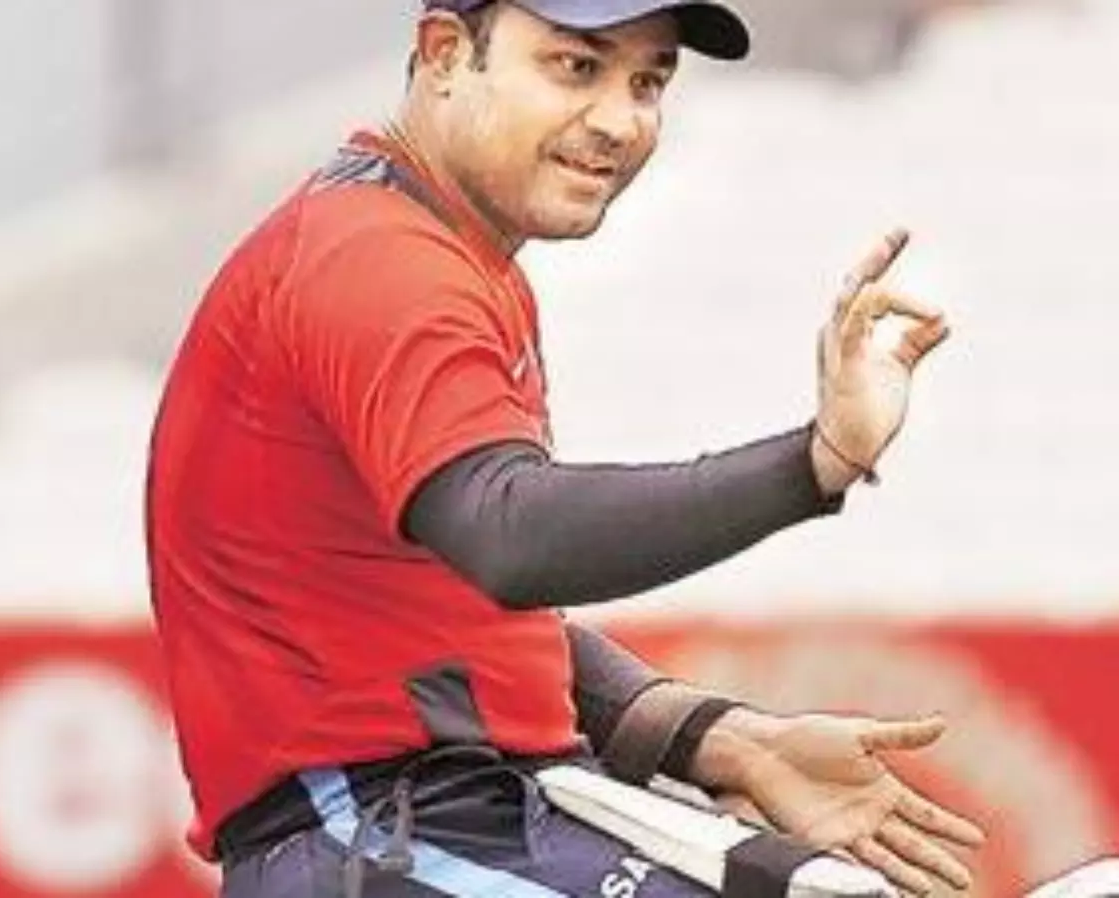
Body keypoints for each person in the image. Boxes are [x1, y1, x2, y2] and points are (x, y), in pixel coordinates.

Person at [145, 1, 979, 896]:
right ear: (445, 54)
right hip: (377, 830)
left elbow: (451, 628)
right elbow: (512, 538)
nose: (621, 119)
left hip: (440, 816)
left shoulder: (434, 253)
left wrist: (717, 738)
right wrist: (815, 462)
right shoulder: (377, 259)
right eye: (577, 66)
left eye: (647, 81)